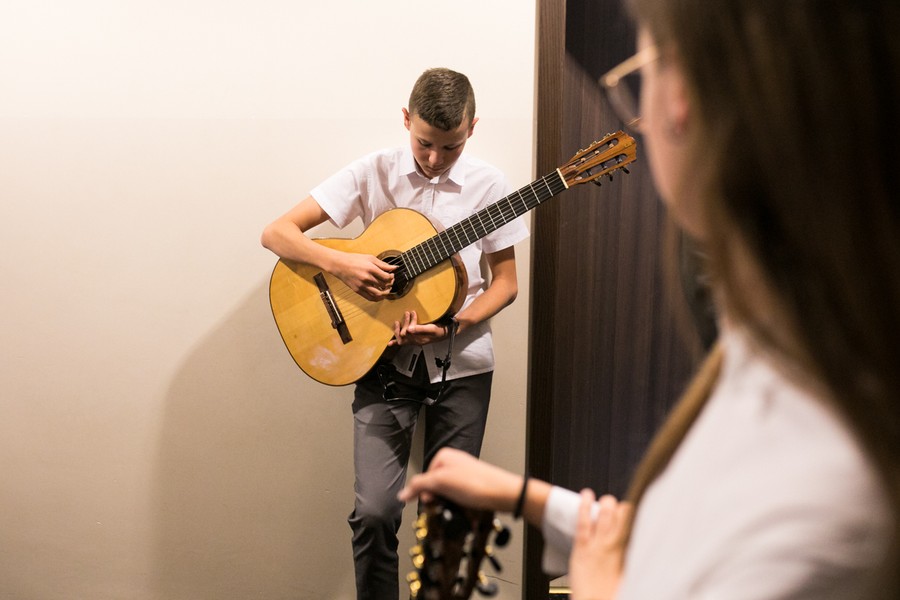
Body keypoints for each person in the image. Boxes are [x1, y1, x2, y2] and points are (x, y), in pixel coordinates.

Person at [399, 1, 900, 598]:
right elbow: (688, 533)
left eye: (643, 67)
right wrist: (524, 496)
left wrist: (598, 586)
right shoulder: (780, 351)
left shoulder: (824, 482)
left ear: (681, 100)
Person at [261, 67, 528, 599]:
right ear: (406, 120)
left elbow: (506, 284)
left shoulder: (490, 187)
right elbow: (276, 233)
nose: (433, 159)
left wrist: (452, 325)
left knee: (449, 518)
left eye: (449, 148)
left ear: (472, 129)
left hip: (463, 368)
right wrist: (342, 265)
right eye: (424, 143)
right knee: (376, 512)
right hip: (379, 365)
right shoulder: (372, 172)